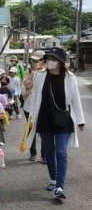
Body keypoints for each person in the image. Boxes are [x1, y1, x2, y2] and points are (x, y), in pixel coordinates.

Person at [27, 47, 85, 201]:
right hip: (44, 119)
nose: (50, 61)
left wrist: (80, 120)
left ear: (60, 61)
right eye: (48, 58)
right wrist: (31, 118)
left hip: (63, 119)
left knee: (61, 152)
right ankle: (53, 179)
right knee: (48, 151)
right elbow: (35, 98)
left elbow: (75, 99)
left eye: (53, 59)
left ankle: (60, 186)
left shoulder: (70, 78)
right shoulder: (40, 76)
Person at [22, 52, 45, 162]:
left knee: (43, 132)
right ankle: (33, 153)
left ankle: (44, 155)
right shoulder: (28, 74)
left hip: (42, 108)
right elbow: (25, 88)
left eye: (37, 61)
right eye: (33, 61)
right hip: (29, 107)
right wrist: (32, 75)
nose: (34, 63)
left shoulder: (46, 74)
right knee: (31, 130)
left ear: (42, 62)